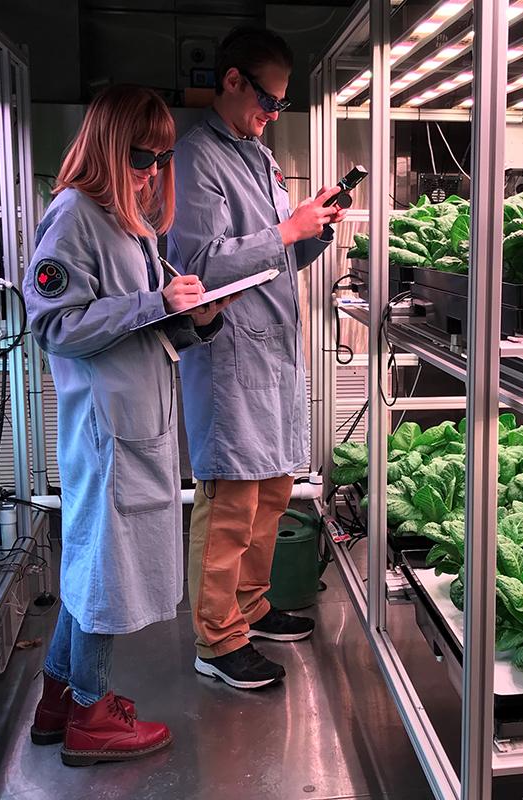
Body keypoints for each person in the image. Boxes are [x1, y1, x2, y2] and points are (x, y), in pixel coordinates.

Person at [24, 84, 235, 765]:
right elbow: (55, 324)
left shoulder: (125, 221)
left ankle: (60, 698)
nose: (151, 174)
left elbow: (138, 321)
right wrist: (152, 304)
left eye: (160, 160)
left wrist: (192, 317)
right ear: (110, 147)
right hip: (105, 431)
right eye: (142, 158)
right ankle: (92, 714)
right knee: (104, 573)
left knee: (93, 564)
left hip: (133, 422)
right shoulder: (74, 216)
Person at [169, 27, 347, 690]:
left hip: (272, 355)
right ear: (233, 80)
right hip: (229, 358)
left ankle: (249, 611)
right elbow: (198, 267)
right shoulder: (196, 160)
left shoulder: (258, 156)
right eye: (266, 101)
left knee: (272, 492)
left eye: (280, 106)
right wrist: (284, 231)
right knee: (231, 501)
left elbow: (280, 254)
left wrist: (313, 232)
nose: (271, 115)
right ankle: (215, 641)